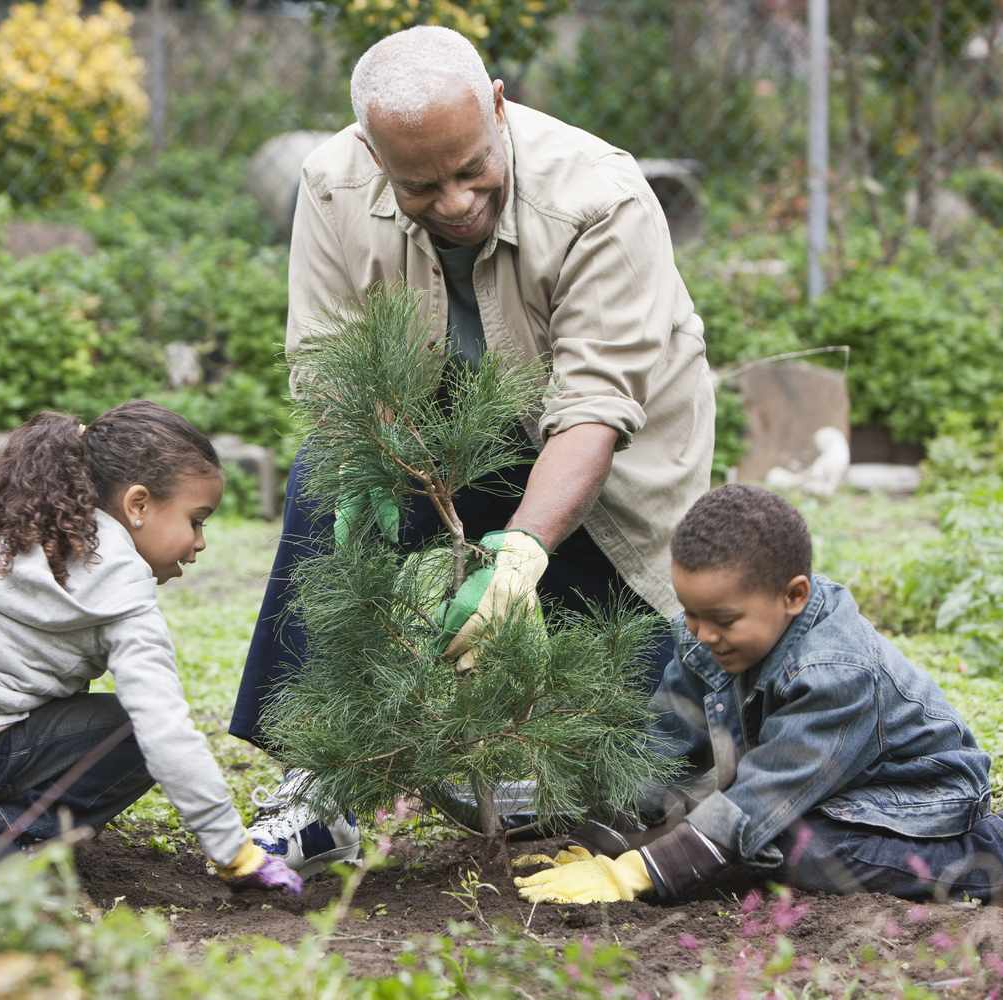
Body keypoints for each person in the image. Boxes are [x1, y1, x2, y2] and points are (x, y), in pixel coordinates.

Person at [233, 23, 715, 873]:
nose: (454, 202)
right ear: (374, 153)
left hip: (604, 481)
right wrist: (366, 469)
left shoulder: (600, 197)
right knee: (320, 479)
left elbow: (594, 410)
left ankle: (590, 760)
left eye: (470, 170)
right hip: (436, 447)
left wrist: (522, 556)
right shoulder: (332, 185)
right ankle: (320, 781)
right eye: (420, 185)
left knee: (646, 765)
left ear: (498, 106)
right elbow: (326, 359)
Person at [516, 485, 1003, 905]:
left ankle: (1001, 848)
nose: (700, 634)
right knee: (719, 819)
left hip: (915, 795)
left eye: (722, 620)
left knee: (788, 848)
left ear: (794, 595)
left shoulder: (834, 674)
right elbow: (663, 751)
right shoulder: (703, 637)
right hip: (827, 784)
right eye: (690, 613)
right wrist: (599, 842)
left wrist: (633, 873)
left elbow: (758, 803)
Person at [0, 401, 301, 895]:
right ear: (138, 505)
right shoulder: (122, 598)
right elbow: (164, 733)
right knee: (134, 733)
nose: (199, 543)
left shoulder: (38, 524)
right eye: (196, 520)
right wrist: (235, 853)